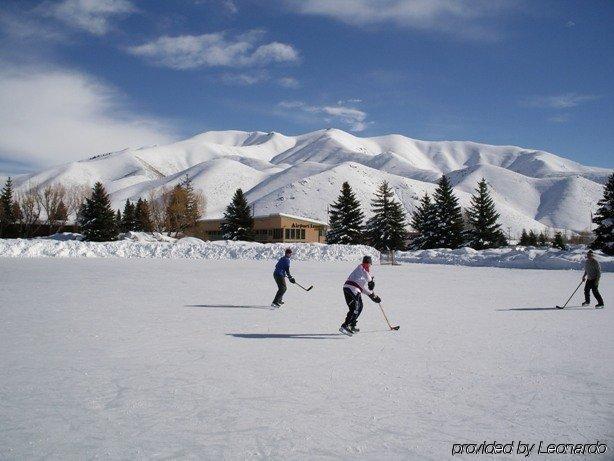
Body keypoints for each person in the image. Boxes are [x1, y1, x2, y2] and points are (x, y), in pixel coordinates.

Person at [339, 255, 381, 336]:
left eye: (369, 263)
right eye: (367, 263)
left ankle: (352, 325)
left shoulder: (363, 274)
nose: (368, 265)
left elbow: (362, 288)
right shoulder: (361, 268)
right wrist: (370, 281)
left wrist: (373, 296)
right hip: (351, 289)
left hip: (354, 290)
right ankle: (345, 326)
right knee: (355, 307)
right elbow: (367, 276)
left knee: (360, 306)